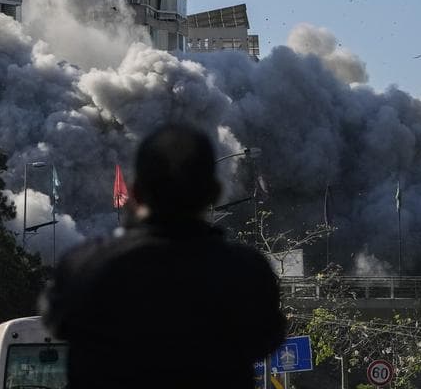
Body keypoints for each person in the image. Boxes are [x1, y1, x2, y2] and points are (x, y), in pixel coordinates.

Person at [41, 123, 286, 388]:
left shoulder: (85, 267)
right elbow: (266, 338)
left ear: (134, 192)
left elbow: (57, 322)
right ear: (214, 193)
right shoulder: (246, 272)